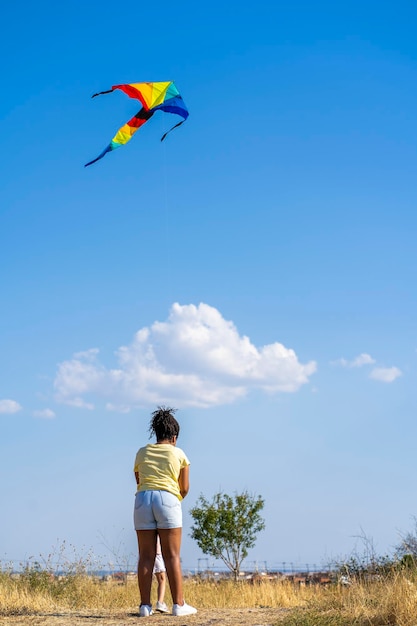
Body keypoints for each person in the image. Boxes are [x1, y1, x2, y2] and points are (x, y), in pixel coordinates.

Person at [133, 406, 197, 617]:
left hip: (142, 499)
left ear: (157, 433)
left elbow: (139, 480)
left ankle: (144, 606)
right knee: (172, 556)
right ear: (174, 437)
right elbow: (184, 487)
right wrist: (175, 501)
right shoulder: (179, 453)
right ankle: (178, 604)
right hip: (168, 498)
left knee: (145, 556)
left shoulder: (142, 452)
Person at [153, 535, 169, 613]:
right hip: (157, 552)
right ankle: (160, 602)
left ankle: (145, 604)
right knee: (162, 579)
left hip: (146, 554)